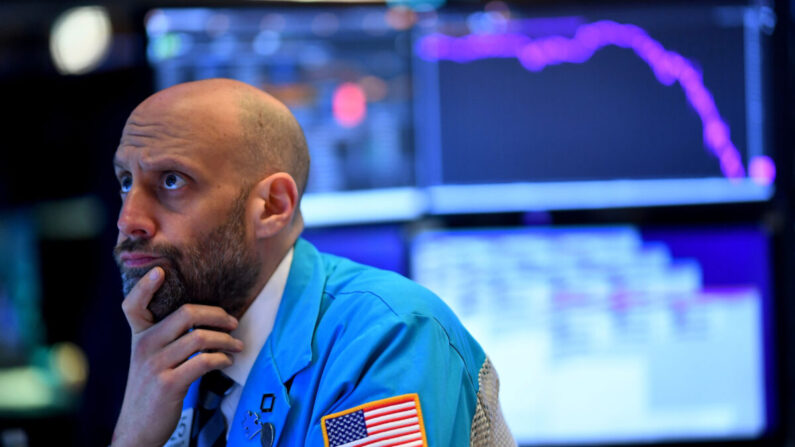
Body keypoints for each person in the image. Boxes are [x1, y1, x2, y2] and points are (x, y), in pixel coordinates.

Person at [110, 78, 515, 447]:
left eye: (171, 181)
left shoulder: (386, 337)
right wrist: (132, 438)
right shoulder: (166, 361)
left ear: (273, 207)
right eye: (126, 181)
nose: (128, 219)